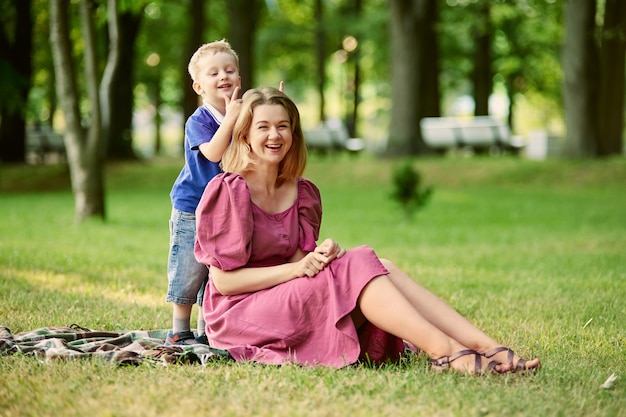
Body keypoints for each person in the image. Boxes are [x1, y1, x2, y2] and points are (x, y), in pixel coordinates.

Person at [193, 87, 541, 373]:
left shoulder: (302, 192)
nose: (274, 135)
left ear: (294, 133)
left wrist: (317, 257)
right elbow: (224, 282)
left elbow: (300, 264)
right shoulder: (229, 190)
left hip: (283, 300)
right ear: (246, 135)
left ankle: (484, 346)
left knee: (380, 264)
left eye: (283, 126)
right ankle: (447, 352)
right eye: (263, 126)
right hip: (239, 314)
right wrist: (298, 268)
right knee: (362, 261)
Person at [165, 39, 243, 346]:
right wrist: (233, 119)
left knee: (216, 269)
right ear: (199, 87)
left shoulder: (242, 115)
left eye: (229, 70)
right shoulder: (200, 120)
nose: (223, 76)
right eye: (213, 73)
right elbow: (212, 153)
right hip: (193, 206)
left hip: (226, 208)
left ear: (240, 78)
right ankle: (178, 329)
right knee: (189, 268)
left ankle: (207, 329)